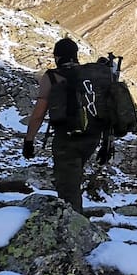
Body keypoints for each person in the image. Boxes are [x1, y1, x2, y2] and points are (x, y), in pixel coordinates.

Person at [22, 37, 102, 214]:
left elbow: (38, 115)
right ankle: (76, 219)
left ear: (57, 57)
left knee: (67, 187)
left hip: (67, 139)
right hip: (92, 137)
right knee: (74, 178)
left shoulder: (52, 77)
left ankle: (75, 227)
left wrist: (29, 140)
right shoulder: (90, 74)